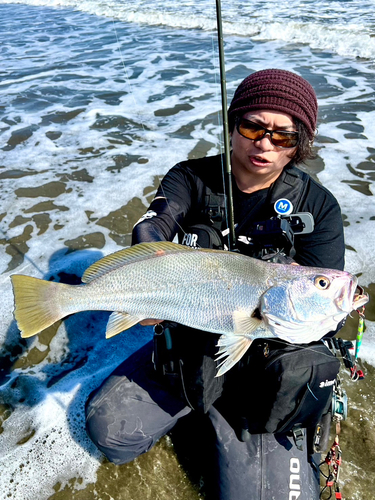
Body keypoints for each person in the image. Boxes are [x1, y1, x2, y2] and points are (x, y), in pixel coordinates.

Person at [85, 69, 345, 499]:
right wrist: (152, 267)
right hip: (189, 344)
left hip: (265, 365)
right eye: (252, 126)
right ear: (232, 125)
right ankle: (193, 405)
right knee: (110, 434)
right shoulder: (189, 177)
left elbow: (324, 311)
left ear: (300, 144)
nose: (264, 143)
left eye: (283, 135)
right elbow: (155, 226)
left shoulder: (318, 207)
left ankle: (254, 429)